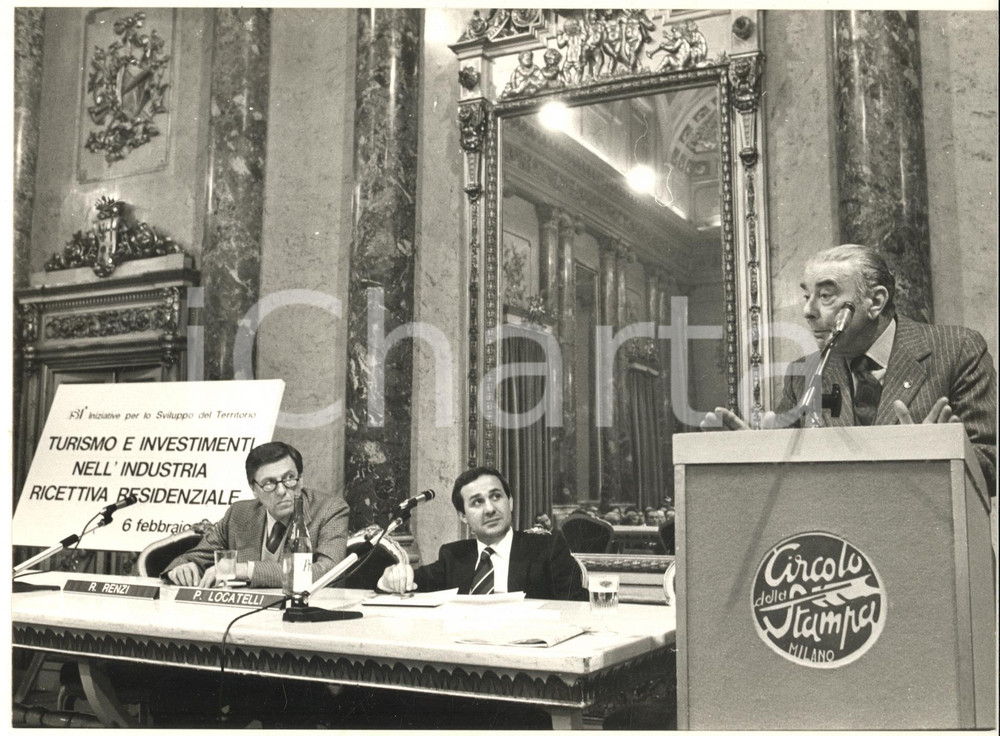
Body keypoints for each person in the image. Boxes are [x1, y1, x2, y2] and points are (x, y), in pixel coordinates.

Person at [702, 244, 997, 491]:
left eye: (826, 296)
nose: (808, 310)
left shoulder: (958, 350)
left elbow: (991, 462)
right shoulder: (803, 375)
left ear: (876, 301)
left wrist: (941, 458)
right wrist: (750, 456)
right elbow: (784, 477)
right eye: (807, 296)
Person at [377, 466, 587, 601]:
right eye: (477, 502)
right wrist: (389, 579)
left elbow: (579, 608)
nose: (489, 508)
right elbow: (411, 582)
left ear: (510, 502)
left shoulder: (547, 550)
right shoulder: (453, 557)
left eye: (496, 497)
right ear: (463, 516)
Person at [163, 441, 350, 586]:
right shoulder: (239, 514)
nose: (281, 491)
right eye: (269, 483)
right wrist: (185, 567)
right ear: (254, 489)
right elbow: (193, 557)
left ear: (301, 479)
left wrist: (246, 570)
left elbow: (327, 571)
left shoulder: (329, 511)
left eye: (289, 479)